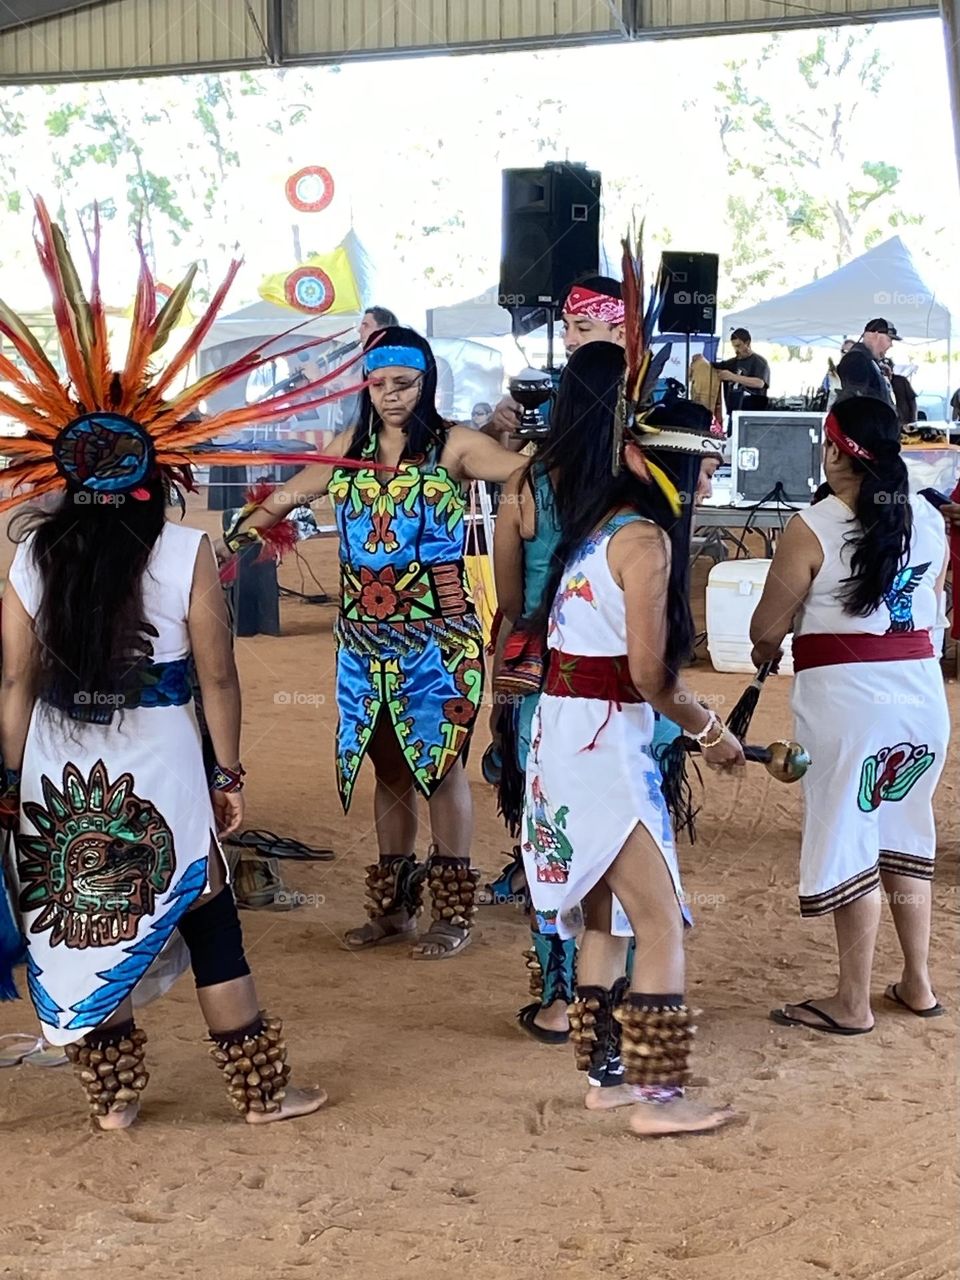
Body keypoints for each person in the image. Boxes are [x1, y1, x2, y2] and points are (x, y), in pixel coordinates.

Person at [0, 199, 353, 1128]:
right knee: (203, 908)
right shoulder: (185, 550)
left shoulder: (31, 551)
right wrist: (227, 770)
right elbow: (219, 677)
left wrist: (8, 776)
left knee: (86, 915)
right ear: (159, 471)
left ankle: (112, 1103)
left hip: (56, 757)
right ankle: (262, 1092)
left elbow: (13, 680)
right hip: (161, 751)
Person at [224, 328, 522, 959]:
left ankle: (452, 913)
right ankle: (394, 908)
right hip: (363, 645)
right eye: (378, 384)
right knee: (387, 770)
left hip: (440, 644)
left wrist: (527, 439)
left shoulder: (455, 446)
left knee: (438, 767)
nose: (390, 396)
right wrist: (220, 546)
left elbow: (528, 474)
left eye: (405, 384)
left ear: (427, 381)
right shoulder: (346, 450)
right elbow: (281, 500)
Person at [520, 340, 742, 1137]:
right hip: (601, 747)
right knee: (658, 921)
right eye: (706, 469)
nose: (711, 483)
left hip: (569, 739)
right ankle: (657, 1097)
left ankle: (609, 1078)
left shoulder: (600, 522)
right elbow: (651, 675)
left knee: (608, 917)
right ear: (672, 468)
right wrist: (712, 731)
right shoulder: (644, 541)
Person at [750, 397, 949, 1034]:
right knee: (903, 833)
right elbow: (931, 609)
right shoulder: (930, 519)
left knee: (850, 838)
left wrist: (772, 641)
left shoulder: (813, 527)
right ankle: (917, 982)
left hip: (848, 706)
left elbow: (764, 628)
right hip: (920, 700)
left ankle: (853, 1002)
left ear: (833, 450)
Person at [489, 277, 626, 438]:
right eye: (566, 327)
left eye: (583, 328)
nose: (568, 341)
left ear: (621, 334)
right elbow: (499, 448)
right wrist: (501, 420)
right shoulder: (552, 388)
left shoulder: (653, 395)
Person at [836, 318, 899, 408]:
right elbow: (858, 402)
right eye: (889, 340)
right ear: (876, 335)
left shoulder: (867, 360)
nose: (891, 345)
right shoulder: (856, 360)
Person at [711, 328, 770, 420]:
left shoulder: (759, 362)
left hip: (752, 414)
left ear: (748, 343)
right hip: (733, 413)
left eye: (738, 346)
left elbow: (759, 383)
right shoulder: (731, 363)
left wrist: (733, 377)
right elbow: (711, 366)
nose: (736, 350)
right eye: (734, 346)